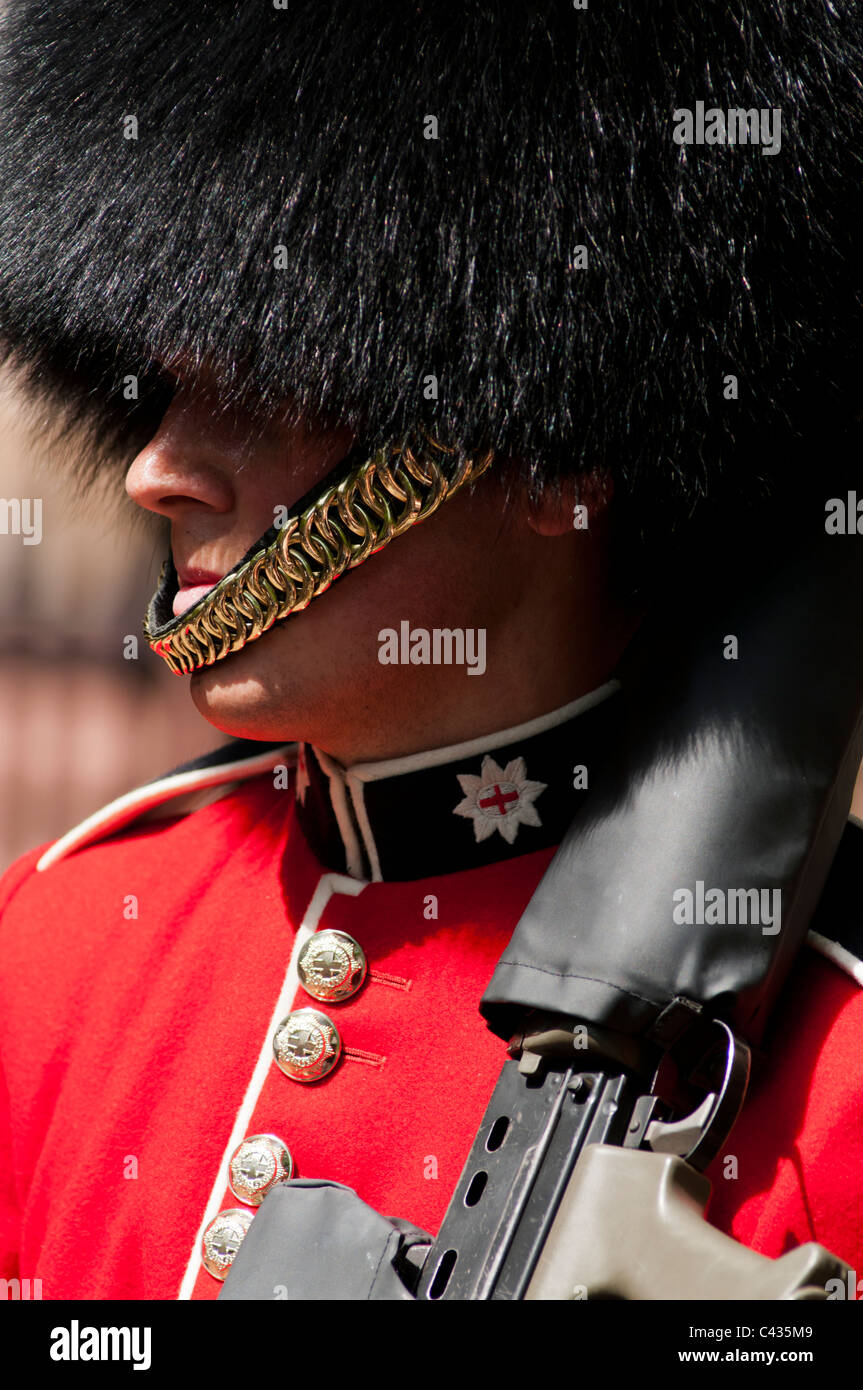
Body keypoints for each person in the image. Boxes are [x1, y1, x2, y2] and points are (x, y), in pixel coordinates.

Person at [0, 1, 862, 1300]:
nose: (158, 467)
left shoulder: (835, 1068)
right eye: (166, 383)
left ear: (543, 437)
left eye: (260, 381)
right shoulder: (52, 947)